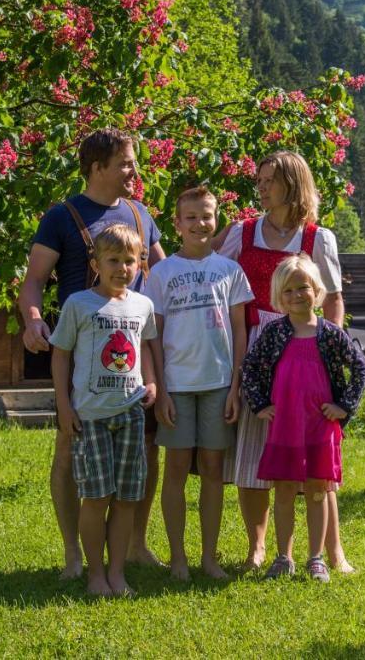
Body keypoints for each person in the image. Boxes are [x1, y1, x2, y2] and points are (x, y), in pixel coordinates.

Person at [18, 128, 166, 579]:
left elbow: (164, 272)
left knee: (144, 450)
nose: (133, 171)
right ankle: (73, 553)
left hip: (134, 357)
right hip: (81, 353)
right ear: (97, 166)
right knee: (69, 446)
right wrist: (33, 320)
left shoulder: (141, 215)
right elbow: (34, 280)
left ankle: (136, 543)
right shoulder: (62, 216)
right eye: (125, 163)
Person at [214, 150, 353, 572]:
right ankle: (259, 548)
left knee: (317, 455)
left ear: (292, 184)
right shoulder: (242, 232)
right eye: (259, 179)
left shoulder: (317, 238)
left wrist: (331, 354)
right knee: (253, 452)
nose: (261, 187)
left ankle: (331, 552)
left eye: (269, 179)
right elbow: (208, 271)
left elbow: (332, 300)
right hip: (258, 344)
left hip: (307, 349)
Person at [240, 254, 365, 582]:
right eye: (289, 291)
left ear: (317, 291)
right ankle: (283, 557)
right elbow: (250, 368)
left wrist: (344, 406)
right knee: (283, 491)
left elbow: (360, 367)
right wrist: (259, 405)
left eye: (304, 288)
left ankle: (316, 558)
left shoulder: (329, 334)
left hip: (319, 427)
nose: (297, 295)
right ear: (278, 298)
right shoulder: (273, 333)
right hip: (284, 427)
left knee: (317, 491)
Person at [147, 186, 253, 580]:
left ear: (216, 221)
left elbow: (240, 331)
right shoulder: (161, 273)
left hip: (218, 385)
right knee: (175, 468)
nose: (199, 223)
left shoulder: (230, 271)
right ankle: (178, 559)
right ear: (176, 224)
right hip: (176, 386)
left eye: (206, 216)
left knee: (212, 469)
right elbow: (152, 334)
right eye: (190, 217)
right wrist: (158, 387)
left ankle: (208, 558)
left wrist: (235, 386)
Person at [49, 224, 159, 597]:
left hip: (130, 415)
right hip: (90, 417)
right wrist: (64, 406)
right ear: (96, 263)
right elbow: (61, 355)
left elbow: (144, 348)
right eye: (113, 260)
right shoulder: (78, 304)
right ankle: (95, 574)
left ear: (139, 265)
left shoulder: (142, 305)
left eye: (130, 261)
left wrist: (153, 382)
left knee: (127, 498)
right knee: (96, 497)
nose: (122, 268)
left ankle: (117, 574)